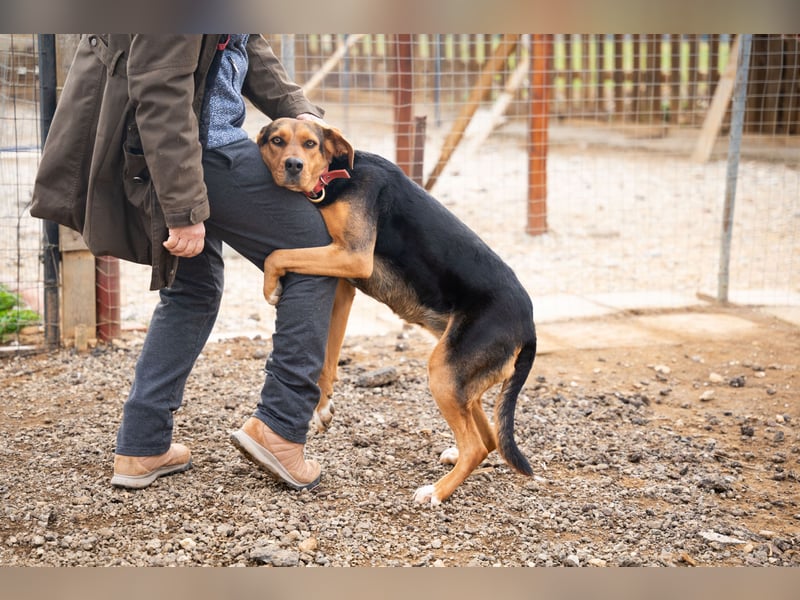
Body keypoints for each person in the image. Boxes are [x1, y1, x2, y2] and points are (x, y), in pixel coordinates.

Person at [31, 34, 337, 491]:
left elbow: (245, 43)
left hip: (191, 154)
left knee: (193, 289)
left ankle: (142, 445)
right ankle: (282, 425)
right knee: (315, 253)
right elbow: (160, 94)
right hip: (197, 153)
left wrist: (299, 108)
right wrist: (185, 210)